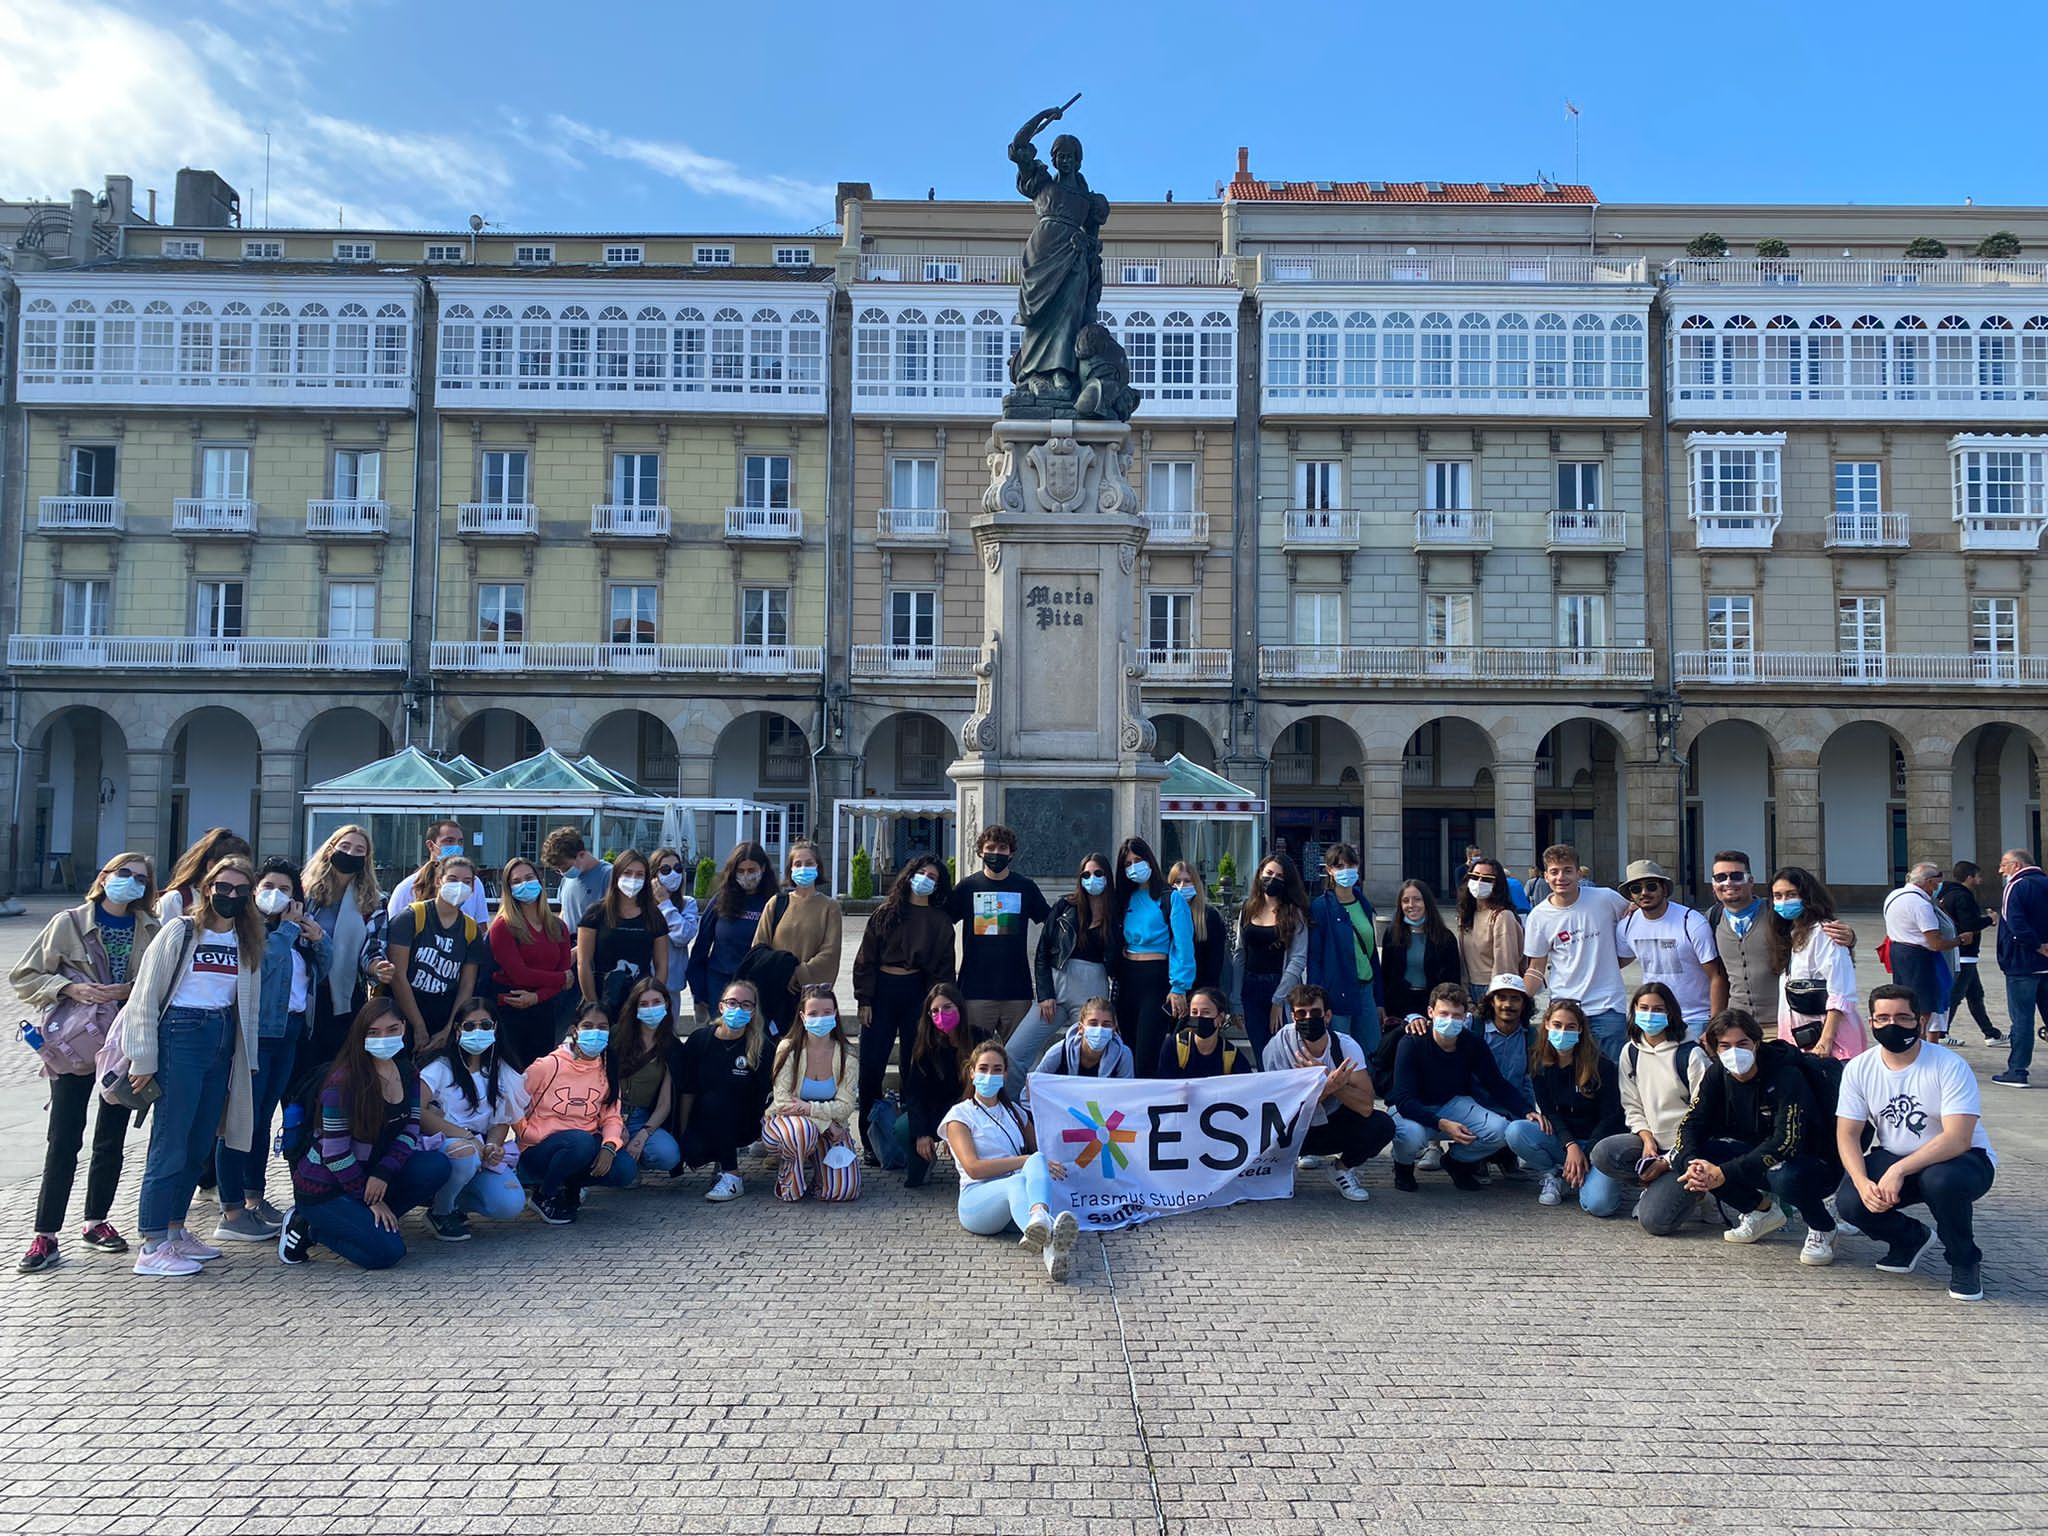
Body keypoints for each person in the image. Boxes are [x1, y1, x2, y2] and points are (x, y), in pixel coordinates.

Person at [10, 851, 162, 1272]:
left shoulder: (151, 927)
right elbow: (25, 976)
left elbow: (163, 982)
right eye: (123, 874)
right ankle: (45, 1234)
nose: (130, 883)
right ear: (105, 876)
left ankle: (96, 1221)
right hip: (75, 1043)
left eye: (140, 879)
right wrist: (68, 989)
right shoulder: (70, 922)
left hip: (123, 1042)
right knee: (63, 1138)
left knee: (110, 1137)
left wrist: (127, 989)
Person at [120, 854, 264, 1277]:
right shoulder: (181, 930)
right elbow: (144, 996)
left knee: (200, 1141)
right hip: (181, 1033)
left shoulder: (245, 939)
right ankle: (152, 1242)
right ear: (207, 889)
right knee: (171, 1142)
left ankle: (175, 1227)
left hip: (221, 1034)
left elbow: (246, 1006)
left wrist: (246, 1058)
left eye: (241, 890)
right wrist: (143, 1057)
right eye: (224, 888)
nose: (231, 896)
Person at [1836, 984, 1999, 1301]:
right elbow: (1847, 1133)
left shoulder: (1948, 1065)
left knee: (1940, 1180)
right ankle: (1910, 1238)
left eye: (1902, 1017)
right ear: (1871, 1023)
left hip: (1961, 1160)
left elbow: (1958, 1137)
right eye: (1882, 1018)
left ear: (1919, 1022)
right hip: (1896, 1154)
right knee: (1852, 1202)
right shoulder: (1859, 1068)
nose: (1891, 1025)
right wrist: (1860, 1181)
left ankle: (1964, 1260)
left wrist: (1899, 1171)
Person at [277, 996, 453, 1268]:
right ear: (361, 1035)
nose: (384, 1038)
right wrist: (366, 1197)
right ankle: (308, 1227)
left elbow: (411, 1128)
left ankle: (365, 1222)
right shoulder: (343, 1082)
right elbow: (335, 1153)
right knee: (387, 1254)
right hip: (326, 1186)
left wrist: (383, 1174)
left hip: (371, 1174)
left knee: (437, 1166)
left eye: (392, 1029)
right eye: (373, 1032)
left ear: (404, 1028)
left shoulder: (409, 1073)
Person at [213, 857, 332, 1244]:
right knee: (239, 1120)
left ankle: (254, 1197)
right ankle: (231, 1209)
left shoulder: (294, 931)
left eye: (285, 889)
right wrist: (287, 929)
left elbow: (321, 970)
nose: (275, 895)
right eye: (268, 887)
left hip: (291, 1030)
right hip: (256, 1033)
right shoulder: (250, 930)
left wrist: (317, 939)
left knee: (263, 1119)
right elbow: (266, 961)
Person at [1669, 1008, 1839, 1264]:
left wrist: (1724, 1172)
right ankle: (1759, 1211)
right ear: (1714, 1049)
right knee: (1686, 1156)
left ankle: (1822, 1227)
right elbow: (1692, 1122)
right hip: (1755, 1149)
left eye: (1742, 1044)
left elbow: (1787, 1142)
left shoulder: (1786, 1074)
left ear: (1757, 1044)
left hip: (1812, 1159)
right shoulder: (1717, 1073)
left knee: (1784, 1176)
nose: (1734, 1052)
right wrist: (1692, 1163)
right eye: (1724, 1046)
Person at [939, 1039, 1080, 1281]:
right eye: (983, 1069)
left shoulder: (1014, 1111)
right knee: (1021, 1175)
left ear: (1005, 1075)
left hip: (1015, 1199)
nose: (989, 1075)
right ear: (971, 1073)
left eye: (996, 1069)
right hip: (977, 1203)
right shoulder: (959, 1115)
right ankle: (1041, 1219)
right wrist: (1022, 1161)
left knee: (1035, 1162)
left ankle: (1046, 1240)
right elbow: (973, 1168)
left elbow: (1041, 1149)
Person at [1259, 983, 1403, 1203]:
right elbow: (1279, 1107)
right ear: (1293, 1017)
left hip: (1332, 1122)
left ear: (1327, 1016)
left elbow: (1366, 1106)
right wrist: (1325, 1086)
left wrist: (1331, 1082)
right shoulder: (1278, 1047)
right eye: (1301, 1013)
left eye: (1315, 1012)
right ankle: (1284, 1167)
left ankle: (1342, 1170)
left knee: (1382, 1125)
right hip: (1295, 1127)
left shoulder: (1346, 1047)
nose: (1308, 1018)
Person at [852, 855, 956, 1157]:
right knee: (871, 1068)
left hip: (918, 995)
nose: (925, 879)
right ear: (909, 875)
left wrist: (937, 1008)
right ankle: (870, 1140)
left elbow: (944, 969)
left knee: (916, 1066)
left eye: (933, 877)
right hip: (882, 991)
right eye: (921, 873)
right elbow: (865, 959)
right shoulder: (886, 913)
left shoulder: (940, 921)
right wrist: (864, 999)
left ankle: (913, 1136)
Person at [1389, 982, 1536, 1193]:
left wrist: (1527, 1111)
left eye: (1456, 1015)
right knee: (1410, 1136)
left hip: (1453, 1103)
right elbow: (1403, 1100)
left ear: (1465, 1016)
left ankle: (1456, 1161)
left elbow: (1496, 1083)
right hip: (1412, 1107)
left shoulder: (1472, 1042)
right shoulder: (1411, 1042)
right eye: (1443, 1013)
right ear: (1430, 1012)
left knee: (1500, 1130)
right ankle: (1403, 1168)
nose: (1450, 1020)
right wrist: (1442, 1124)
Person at [1590, 982, 1712, 1233]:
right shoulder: (1630, 1052)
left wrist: (1667, 1161)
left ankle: (1701, 1192)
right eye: (1643, 1008)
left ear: (1671, 1013)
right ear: (1634, 1010)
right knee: (1603, 1153)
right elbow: (1632, 1104)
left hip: (1688, 1148)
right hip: (1653, 1143)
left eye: (1658, 1009)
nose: (1650, 1014)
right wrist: (1646, 1140)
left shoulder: (1690, 1055)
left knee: (1655, 1223)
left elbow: (1703, 1118)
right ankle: (1657, 1186)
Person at [416, 996, 529, 1238]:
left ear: (496, 1028)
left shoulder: (502, 1070)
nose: (478, 1031)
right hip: (444, 1144)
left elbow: (502, 1120)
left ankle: (451, 1197)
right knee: (464, 1154)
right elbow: (418, 1110)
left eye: (486, 1025)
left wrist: (492, 1146)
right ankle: (441, 1211)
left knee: (510, 1203)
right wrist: (466, 1137)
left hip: (477, 1149)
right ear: (457, 1031)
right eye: (469, 1026)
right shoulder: (440, 1067)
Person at [516, 1002, 634, 1224]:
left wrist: (610, 1145)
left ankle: (570, 1186)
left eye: (602, 1027)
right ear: (574, 1030)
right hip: (538, 1149)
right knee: (581, 1142)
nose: (595, 1033)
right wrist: (526, 1132)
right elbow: (512, 1103)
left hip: (581, 1147)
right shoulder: (548, 1066)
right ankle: (544, 1194)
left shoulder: (607, 1068)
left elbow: (611, 1116)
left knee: (624, 1169)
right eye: (588, 1026)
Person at [1521, 842, 1634, 1060]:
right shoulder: (1539, 915)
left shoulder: (1605, 898)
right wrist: (1520, 998)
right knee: (1567, 1073)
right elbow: (1536, 968)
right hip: (1564, 1007)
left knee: (1613, 1074)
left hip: (1607, 1007)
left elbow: (1635, 917)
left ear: (1578, 874)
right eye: (1554, 872)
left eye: (1567, 871)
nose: (1560, 877)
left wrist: (1615, 960)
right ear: (1545, 876)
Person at [948, 824, 1053, 1045]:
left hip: (1017, 991)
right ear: (980, 852)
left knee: (1016, 1061)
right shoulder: (966, 887)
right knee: (974, 1060)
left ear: (1011, 852)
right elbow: (940, 924)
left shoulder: (1025, 887)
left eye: (1002, 848)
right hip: (975, 992)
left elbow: (1051, 923)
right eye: (990, 847)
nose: (996, 853)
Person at [299, 824, 392, 1071]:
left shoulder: (375, 901)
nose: (351, 853)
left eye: (359, 849)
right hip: (303, 994)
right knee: (300, 1074)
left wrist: (377, 966)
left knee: (337, 1071)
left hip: (344, 998)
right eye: (345, 846)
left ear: (366, 859)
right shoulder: (304, 894)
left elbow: (373, 947)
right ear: (330, 850)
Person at [1519, 1000, 1626, 1213]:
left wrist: (1584, 1154)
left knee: (1600, 1206)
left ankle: (1581, 1174)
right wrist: (1570, 1146)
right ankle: (1557, 1174)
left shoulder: (1601, 1066)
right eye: (1557, 1025)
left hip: (1599, 1143)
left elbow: (1611, 1118)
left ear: (1580, 1030)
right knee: (1517, 1131)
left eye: (1570, 1027)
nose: (1562, 1032)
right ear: (1547, 1024)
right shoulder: (1538, 1062)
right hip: (1565, 1141)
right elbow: (1549, 1111)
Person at [673, 978, 772, 1202]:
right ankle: (719, 1160)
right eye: (733, 1002)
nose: (738, 1009)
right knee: (691, 1148)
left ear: (754, 1011)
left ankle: (732, 1176)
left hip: (746, 1123)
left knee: (718, 1099)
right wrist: (683, 1131)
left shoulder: (762, 1047)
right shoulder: (700, 1041)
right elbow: (687, 1090)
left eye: (746, 1004)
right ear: (721, 1006)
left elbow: (768, 1093)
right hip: (706, 1120)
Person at [760, 984, 861, 1203]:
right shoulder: (788, 1048)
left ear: (835, 1013)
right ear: (803, 1017)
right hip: (787, 1123)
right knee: (802, 1132)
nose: (820, 1018)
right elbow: (783, 1101)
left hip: (832, 1127)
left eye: (827, 1012)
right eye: (813, 1013)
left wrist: (809, 1107)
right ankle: (788, 1180)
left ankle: (820, 1175)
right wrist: (823, 1122)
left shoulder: (847, 1054)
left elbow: (846, 1107)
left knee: (843, 1191)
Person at [1107, 836, 1194, 1074]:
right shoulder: (1123, 900)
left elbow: (1183, 945)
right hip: (1127, 979)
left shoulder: (1171, 898)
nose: (1134, 867)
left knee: (1147, 1054)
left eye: (1138, 860)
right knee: (1127, 1050)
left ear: (1149, 860)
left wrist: (1179, 987)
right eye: (1127, 864)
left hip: (1156, 980)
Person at [386, 852, 486, 1053]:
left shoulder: (470, 929)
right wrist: (418, 1026)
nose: (460, 886)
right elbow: (398, 975)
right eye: (453, 879)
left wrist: (450, 1027)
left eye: (467, 882)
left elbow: (467, 984)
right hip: (405, 1009)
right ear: (439, 881)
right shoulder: (411, 917)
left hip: (444, 1012)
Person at [1027, 852, 1114, 1081]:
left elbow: (1118, 963)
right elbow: (1043, 951)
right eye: (1086, 874)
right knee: (1018, 1048)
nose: (1091, 878)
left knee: (1087, 1055)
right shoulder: (1065, 906)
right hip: (1058, 984)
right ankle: (1017, 1104)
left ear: (1107, 876)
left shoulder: (1116, 913)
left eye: (1098, 873)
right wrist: (1045, 993)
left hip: (1092, 988)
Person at [1617, 859, 1726, 1037]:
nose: (1644, 893)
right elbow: (1620, 960)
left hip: (1695, 1018)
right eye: (1636, 889)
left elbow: (1716, 975)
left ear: (1664, 889)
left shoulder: (1691, 922)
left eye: (1651, 886)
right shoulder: (1626, 926)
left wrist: (1714, 1023)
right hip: (1654, 1018)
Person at [1766, 866, 1866, 1061]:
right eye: (1777, 896)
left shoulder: (1824, 933)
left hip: (1828, 1040)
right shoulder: (1790, 933)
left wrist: (1826, 1039)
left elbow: (1840, 991)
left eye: (1791, 894)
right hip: (1797, 1036)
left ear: (1807, 896)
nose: (1783, 902)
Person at [487, 854, 576, 1068]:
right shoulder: (502, 927)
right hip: (511, 1012)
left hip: (545, 1012)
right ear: (508, 889)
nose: (524, 884)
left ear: (540, 881)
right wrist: (561, 978)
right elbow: (521, 974)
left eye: (528, 878)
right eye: (516, 882)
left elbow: (565, 978)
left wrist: (538, 996)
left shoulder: (558, 926)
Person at [901, 983, 988, 1188]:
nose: (941, 1014)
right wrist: (921, 1133)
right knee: (903, 1130)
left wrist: (956, 1129)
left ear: (960, 1007)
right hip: (935, 1111)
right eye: (935, 1011)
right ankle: (925, 1162)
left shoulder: (980, 1038)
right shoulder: (925, 1045)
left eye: (947, 1007)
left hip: (972, 1110)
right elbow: (914, 1093)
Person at [751, 839, 844, 1028]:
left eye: (809, 863)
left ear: (818, 867)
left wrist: (799, 974)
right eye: (798, 864)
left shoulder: (830, 907)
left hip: (809, 996)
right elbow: (759, 946)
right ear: (790, 870)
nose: (803, 868)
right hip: (775, 992)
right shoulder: (776, 903)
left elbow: (830, 952)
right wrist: (782, 972)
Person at [1305, 843, 1385, 1053]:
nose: (1345, 870)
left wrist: (1379, 998)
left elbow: (1371, 953)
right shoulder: (1321, 907)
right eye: (1339, 866)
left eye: (1350, 865)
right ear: (1329, 871)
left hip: (1365, 989)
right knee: (1342, 1053)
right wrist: (1317, 999)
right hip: (1336, 990)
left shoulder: (1363, 903)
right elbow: (1314, 957)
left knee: (1371, 1051)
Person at [1231, 852, 1310, 1055]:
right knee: (1260, 1052)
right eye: (1269, 873)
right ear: (1260, 874)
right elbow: (1240, 954)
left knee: (1281, 1053)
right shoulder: (1248, 909)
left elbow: (1297, 959)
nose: (1272, 879)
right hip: (1250, 988)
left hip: (1279, 987)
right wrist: (1236, 999)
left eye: (1280, 876)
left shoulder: (1294, 914)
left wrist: (1278, 999)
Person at [686, 842, 776, 1018]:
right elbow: (700, 948)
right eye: (740, 871)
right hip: (720, 985)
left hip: (759, 987)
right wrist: (699, 991)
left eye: (751, 870)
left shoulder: (773, 902)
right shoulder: (720, 901)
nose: (746, 876)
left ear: (763, 869)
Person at [575, 848, 668, 1016]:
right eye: (628, 873)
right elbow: (584, 963)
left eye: (639, 875)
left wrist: (654, 1000)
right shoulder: (595, 914)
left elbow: (661, 964)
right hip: (602, 999)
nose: (633, 879)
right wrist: (593, 1004)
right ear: (617, 874)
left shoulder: (654, 916)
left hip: (640, 1003)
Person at [614, 978, 684, 1184]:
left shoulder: (672, 1047)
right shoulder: (616, 1037)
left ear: (667, 1004)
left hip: (642, 1117)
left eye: (656, 1002)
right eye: (643, 1004)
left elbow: (665, 1103)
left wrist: (643, 1134)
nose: (650, 1009)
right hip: (610, 1113)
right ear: (634, 1007)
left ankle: (633, 1161)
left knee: (668, 1154)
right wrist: (615, 1123)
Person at [1993, 848, 2048, 1088]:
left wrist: (2037, 945)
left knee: (2022, 1018)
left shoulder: (2016, 886)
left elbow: (2015, 922)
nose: (2000, 870)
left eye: (2004, 865)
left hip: (2023, 963)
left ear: (2016, 865)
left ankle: (2018, 1070)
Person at [1882, 862, 1958, 1035]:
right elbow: (1936, 943)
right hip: (1918, 956)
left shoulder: (1894, 895)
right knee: (1923, 1008)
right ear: (1929, 882)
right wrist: (1958, 941)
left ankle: (1910, 1039)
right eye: (1936, 884)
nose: (1937, 888)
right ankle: (1919, 1043)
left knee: (1906, 1001)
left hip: (1898, 950)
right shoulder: (1920, 904)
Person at [1378, 879, 1461, 1030]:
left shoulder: (1445, 937)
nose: (1411, 905)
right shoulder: (1392, 933)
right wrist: (1382, 1004)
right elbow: (1386, 974)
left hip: (1432, 1005)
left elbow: (1453, 979)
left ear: (1427, 902)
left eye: (1417, 899)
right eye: (1405, 900)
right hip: (1399, 1006)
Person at [1934, 861, 2002, 1045]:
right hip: (1964, 953)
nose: (1980, 880)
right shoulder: (1963, 897)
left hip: (1963, 953)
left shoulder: (1947, 894)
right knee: (1955, 994)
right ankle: (1941, 1032)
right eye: (1978, 876)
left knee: (1975, 994)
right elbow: (1969, 924)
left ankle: (1991, 1034)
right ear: (1969, 877)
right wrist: (1990, 919)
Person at [385, 819, 491, 925]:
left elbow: (481, 927)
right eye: (449, 841)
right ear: (431, 845)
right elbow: (394, 929)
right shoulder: (407, 887)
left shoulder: (474, 883)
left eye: (460, 842)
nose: (456, 846)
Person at [1455, 858, 1524, 990]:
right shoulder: (1465, 916)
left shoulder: (1503, 916)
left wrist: (1494, 997)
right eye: (1474, 877)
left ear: (1497, 884)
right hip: (1469, 987)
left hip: (1492, 988)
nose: (1479, 882)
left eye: (1487, 879)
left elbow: (1505, 965)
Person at [155, 828, 252, 922]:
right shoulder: (176, 900)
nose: (242, 871)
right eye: (233, 867)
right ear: (211, 866)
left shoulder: (245, 902)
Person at [1157, 987, 1255, 1078]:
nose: (1199, 1017)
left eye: (1206, 1012)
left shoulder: (1231, 1055)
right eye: (1194, 1012)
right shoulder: (1174, 1046)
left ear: (1220, 1017)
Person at [1034, 996, 1136, 1078]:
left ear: (1114, 1029)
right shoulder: (1059, 1052)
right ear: (1081, 1028)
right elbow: (1033, 1087)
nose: (1099, 1029)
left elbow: (1126, 1095)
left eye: (1106, 1024)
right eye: (1093, 1023)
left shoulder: (1123, 1055)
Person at [649, 846, 702, 1000]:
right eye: (665, 869)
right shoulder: (643, 905)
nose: (673, 874)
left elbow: (683, 936)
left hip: (671, 985)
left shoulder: (687, 903)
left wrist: (665, 903)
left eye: (677, 868)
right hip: (643, 982)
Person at [1169, 860, 1230, 994]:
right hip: (1172, 992)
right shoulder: (1166, 914)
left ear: (1196, 884)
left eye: (1187, 881)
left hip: (1201, 992)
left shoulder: (1210, 916)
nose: (1181, 886)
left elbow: (1214, 963)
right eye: (1177, 882)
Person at [541, 825, 611, 930]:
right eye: (558, 870)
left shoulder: (609, 875)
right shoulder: (566, 879)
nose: (563, 873)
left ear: (582, 855)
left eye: (566, 867)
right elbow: (564, 912)